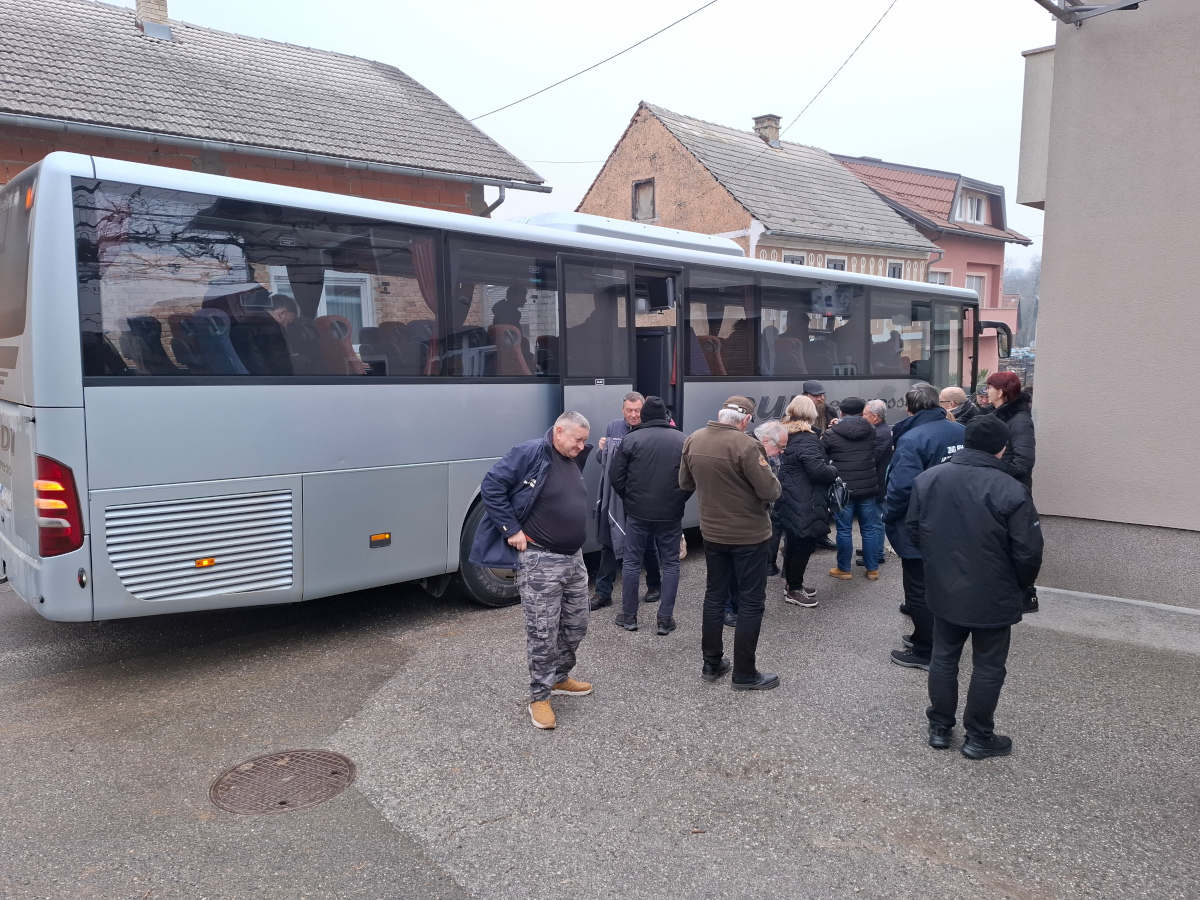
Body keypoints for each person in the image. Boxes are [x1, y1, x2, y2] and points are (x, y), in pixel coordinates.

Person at [907, 416, 1043, 759]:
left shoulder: (928, 479)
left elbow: (914, 531)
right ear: (1002, 448)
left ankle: (940, 727)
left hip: (944, 586)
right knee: (988, 665)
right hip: (994, 591)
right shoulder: (1011, 488)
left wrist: (938, 565)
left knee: (944, 657)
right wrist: (1021, 585)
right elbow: (1028, 552)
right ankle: (979, 736)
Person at [470, 412, 595, 730]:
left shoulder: (570, 457)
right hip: (541, 561)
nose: (582, 446)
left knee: (577, 625)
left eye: (584, 440)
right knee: (542, 632)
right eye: (577, 440)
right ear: (559, 431)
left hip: (574, 559)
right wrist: (511, 529)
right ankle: (539, 696)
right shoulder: (531, 452)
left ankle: (559, 677)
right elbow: (491, 485)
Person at [679, 396, 782, 690]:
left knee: (714, 596)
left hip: (712, 532)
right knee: (751, 602)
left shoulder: (694, 439)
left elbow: (685, 483)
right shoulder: (747, 446)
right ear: (746, 420)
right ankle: (745, 674)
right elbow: (771, 491)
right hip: (749, 535)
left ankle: (711, 663)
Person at [883, 383, 966, 671]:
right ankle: (928, 637)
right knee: (942, 585)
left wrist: (889, 516)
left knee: (918, 589)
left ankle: (926, 651)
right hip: (957, 521)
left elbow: (902, 488)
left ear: (909, 408)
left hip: (921, 525)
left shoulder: (912, 438)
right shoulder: (961, 431)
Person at [610, 396, 693, 636]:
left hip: (638, 513)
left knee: (632, 563)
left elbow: (616, 476)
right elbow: (691, 480)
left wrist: (630, 499)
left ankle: (629, 616)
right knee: (671, 564)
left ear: (644, 416)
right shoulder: (683, 440)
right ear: (665, 416)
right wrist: (678, 499)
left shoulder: (631, 439)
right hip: (671, 514)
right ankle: (664, 620)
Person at [591, 393, 661, 611]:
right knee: (609, 543)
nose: (633, 415)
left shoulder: (651, 429)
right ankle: (603, 593)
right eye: (629, 410)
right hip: (616, 496)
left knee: (648, 543)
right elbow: (603, 462)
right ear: (623, 410)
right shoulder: (614, 427)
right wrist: (602, 450)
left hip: (641, 495)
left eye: (637, 410)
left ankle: (654, 586)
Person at [773, 396, 838, 607]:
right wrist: (833, 470)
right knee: (804, 543)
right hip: (805, 498)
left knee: (793, 541)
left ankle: (792, 584)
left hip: (788, 495)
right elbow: (817, 470)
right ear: (811, 413)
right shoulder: (806, 437)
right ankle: (794, 588)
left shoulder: (785, 432)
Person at [985, 371, 1038, 613]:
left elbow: (1024, 461)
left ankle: (1026, 597)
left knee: (1016, 543)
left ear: (1000, 391)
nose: (986, 392)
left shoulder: (1019, 420)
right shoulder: (1000, 415)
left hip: (1012, 491)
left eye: (989, 387)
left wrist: (995, 473)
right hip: (1002, 489)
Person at [822, 396, 881, 581]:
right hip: (867, 486)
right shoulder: (871, 430)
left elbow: (823, 455)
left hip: (843, 489)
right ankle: (872, 569)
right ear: (862, 412)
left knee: (844, 530)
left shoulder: (831, 433)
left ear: (841, 413)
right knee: (869, 529)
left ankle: (844, 569)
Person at [801, 380, 838, 550]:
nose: (821, 398)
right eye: (816, 395)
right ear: (806, 395)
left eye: (823, 395)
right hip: (804, 461)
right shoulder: (798, 410)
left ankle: (822, 536)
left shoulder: (829, 410)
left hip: (823, 458)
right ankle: (804, 538)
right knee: (804, 503)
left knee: (823, 501)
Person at [857, 399, 892, 570]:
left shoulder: (880, 434)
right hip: (878, 480)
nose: (862, 417)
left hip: (878, 482)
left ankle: (877, 553)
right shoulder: (881, 430)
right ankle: (871, 549)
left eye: (865, 414)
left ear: (875, 416)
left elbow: (873, 458)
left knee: (876, 520)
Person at [755, 420, 789, 577]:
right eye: (780, 447)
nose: (781, 451)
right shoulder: (756, 456)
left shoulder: (755, 448)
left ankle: (768, 565)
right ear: (766, 441)